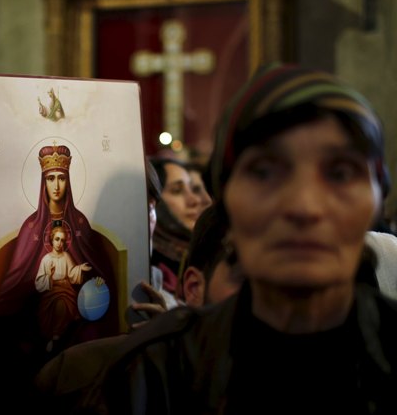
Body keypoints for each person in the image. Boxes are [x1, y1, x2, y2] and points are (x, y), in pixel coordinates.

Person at [35, 63, 397, 415]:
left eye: (340, 173)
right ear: (226, 198)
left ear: (378, 198)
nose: (304, 206)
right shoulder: (150, 372)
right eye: (265, 172)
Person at [0, 143, 117, 363]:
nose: (56, 185)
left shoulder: (79, 222)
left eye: (62, 178)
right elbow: (15, 280)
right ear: (43, 183)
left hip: (79, 317)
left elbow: (97, 272)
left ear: (69, 181)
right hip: (36, 317)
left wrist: (85, 276)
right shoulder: (31, 226)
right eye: (51, 178)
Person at [149, 156, 207, 298]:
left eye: (192, 189)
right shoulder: (149, 265)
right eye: (177, 190)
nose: (194, 200)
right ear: (154, 201)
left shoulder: (199, 256)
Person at [35, 225, 92, 352]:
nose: (59, 243)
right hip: (51, 291)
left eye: (62, 240)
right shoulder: (46, 259)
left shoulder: (66, 256)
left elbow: (72, 274)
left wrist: (79, 268)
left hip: (66, 289)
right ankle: (54, 337)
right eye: (57, 239)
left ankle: (57, 337)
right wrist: (49, 275)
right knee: (59, 303)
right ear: (51, 239)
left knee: (63, 303)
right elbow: (39, 282)